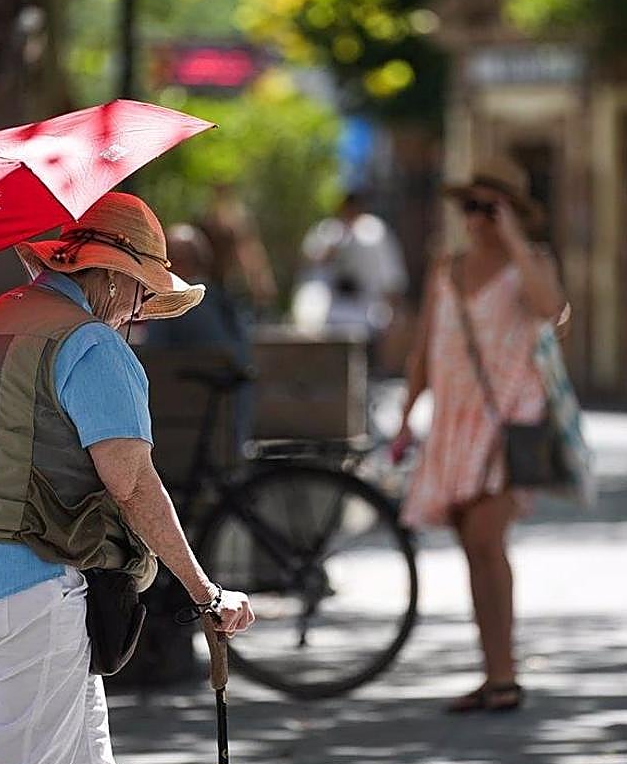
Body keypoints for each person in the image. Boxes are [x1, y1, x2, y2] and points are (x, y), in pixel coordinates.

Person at [0, 192, 255, 764]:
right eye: (139, 293)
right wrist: (205, 591)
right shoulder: (92, 344)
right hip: (28, 594)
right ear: (110, 274)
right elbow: (132, 482)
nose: (136, 312)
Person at [392, 158, 565, 712]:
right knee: (473, 548)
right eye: (471, 206)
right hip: (454, 423)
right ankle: (495, 673)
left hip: (508, 423)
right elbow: (425, 347)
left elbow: (551, 310)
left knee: (489, 541)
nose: (477, 218)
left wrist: (514, 237)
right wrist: (405, 415)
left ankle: (506, 673)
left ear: (511, 211)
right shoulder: (446, 267)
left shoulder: (531, 262)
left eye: (489, 207)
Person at [143, 223, 255, 444]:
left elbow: (152, 356)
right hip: (231, 418)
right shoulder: (218, 297)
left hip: (188, 424)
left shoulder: (179, 303)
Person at [293, 190, 408, 351]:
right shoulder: (327, 231)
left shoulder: (374, 233)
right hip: (330, 311)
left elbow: (391, 278)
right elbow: (307, 262)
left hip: (365, 309)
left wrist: (393, 312)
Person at [199, 182, 278, 313]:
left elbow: (249, 250)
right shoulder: (209, 219)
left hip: (234, 284)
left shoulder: (237, 218)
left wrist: (260, 281)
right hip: (214, 283)